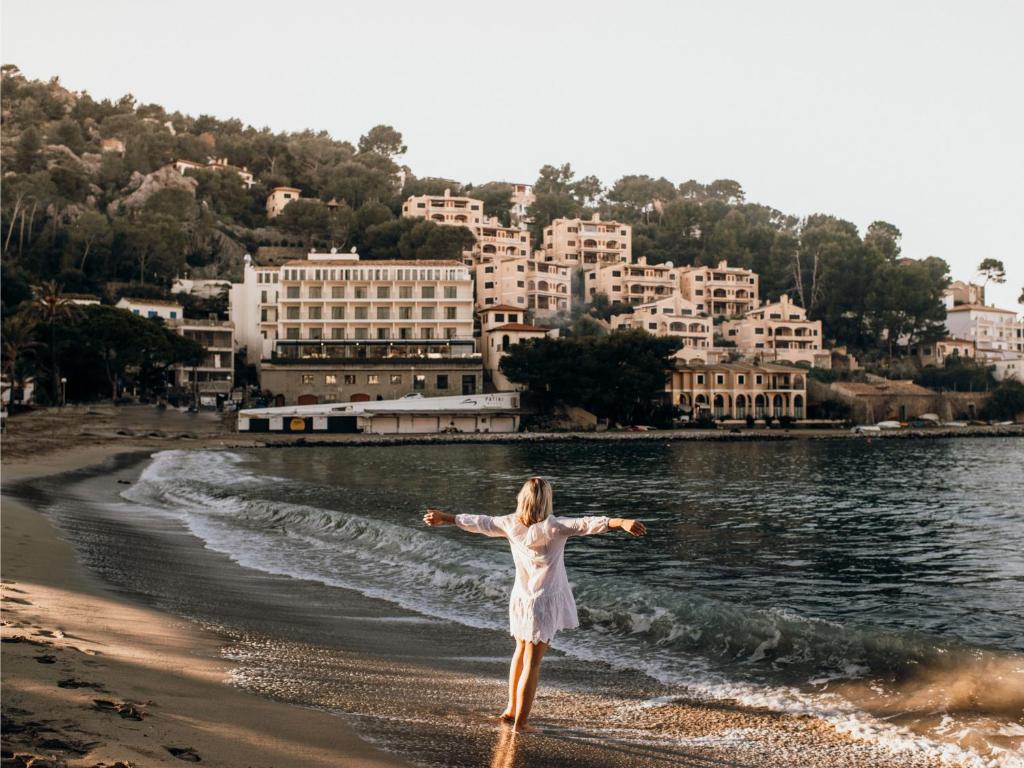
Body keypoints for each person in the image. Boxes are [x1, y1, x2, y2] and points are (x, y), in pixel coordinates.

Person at [423, 476, 646, 733]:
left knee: (520, 653)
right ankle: (521, 723)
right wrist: (621, 523)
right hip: (544, 601)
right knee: (533, 662)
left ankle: (510, 710)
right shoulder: (555, 526)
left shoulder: (509, 523)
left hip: (521, 598)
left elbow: (479, 522)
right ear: (547, 501)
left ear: (522, 499)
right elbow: (587, 523)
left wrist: (445, 517)